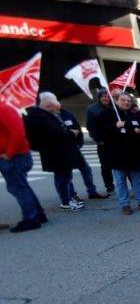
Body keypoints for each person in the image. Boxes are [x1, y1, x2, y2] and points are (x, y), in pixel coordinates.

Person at [23, 93, 83, 211]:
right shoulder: (41, 117)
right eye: (55, 102)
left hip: (58, 152)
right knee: (62, 178)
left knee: (65, 177)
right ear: (49, 104)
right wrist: (72, 133)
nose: (58, 105)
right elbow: (56, 134)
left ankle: (69, 199)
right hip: (55, 153)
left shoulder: (45, 115)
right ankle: (65, 202)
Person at [102, 91, 140, 214]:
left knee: (138, 180)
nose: (126, 102)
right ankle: (125, 205)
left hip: (135, 155)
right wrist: (115, 127)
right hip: (117, 156)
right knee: (121, 182)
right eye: (123, 100)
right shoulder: (108, 115)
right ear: (116, 101)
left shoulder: (135, 115)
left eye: (128, 101)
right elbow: (103, 134)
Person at [0, 100, 47, 232]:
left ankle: (31, 218)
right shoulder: (4, 108)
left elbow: (18, 132)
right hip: (15, 156)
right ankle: (38, 214)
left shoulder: (3, 109)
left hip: (14, 157)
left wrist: (9, 154)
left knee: (18, 187)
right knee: (22, 186)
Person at [85, 89, 116, 194]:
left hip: (116, 140)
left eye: (108, 96)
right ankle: (109, 186)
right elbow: (90, 127)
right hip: (103, 142)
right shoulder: (92, 109)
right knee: (106, 165)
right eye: (103, 96)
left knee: (121, 163)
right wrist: (98, 140)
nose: (106, 98)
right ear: (99, 97)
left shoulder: (115, 107)